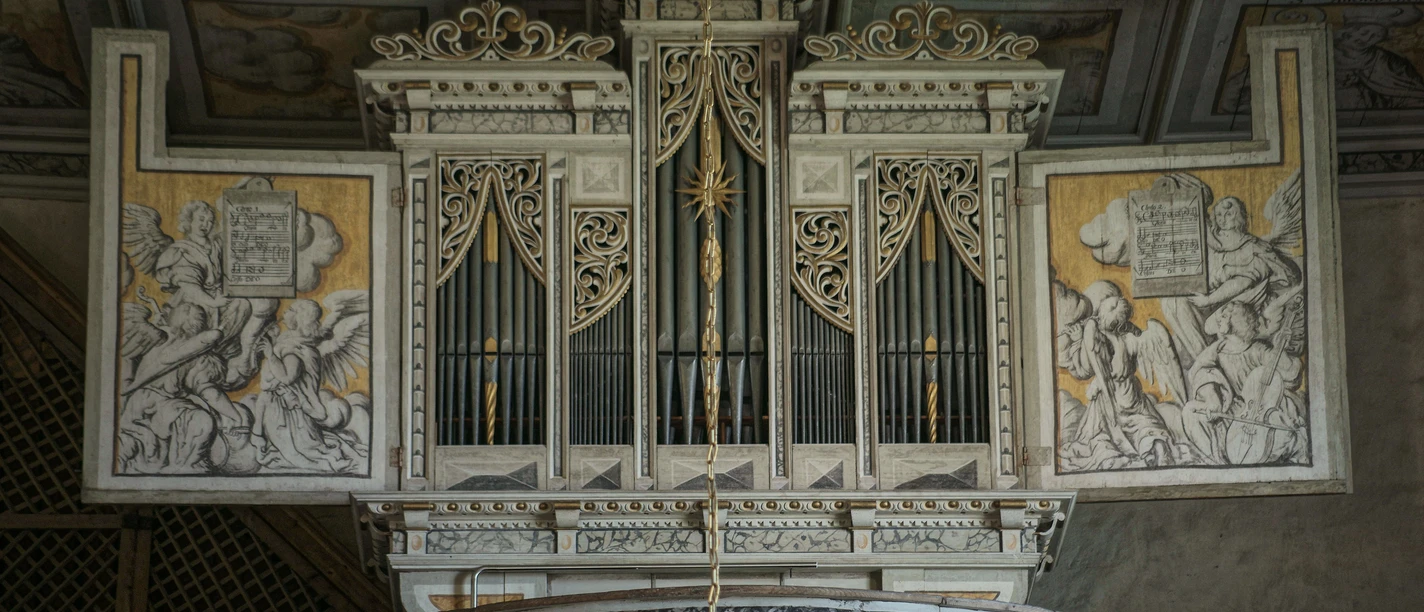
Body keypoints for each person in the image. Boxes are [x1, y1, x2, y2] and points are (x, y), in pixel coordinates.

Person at [1181, 302, 1307, 465]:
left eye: (1225, 316)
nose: (1220, 319)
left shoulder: (1259, 349)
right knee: (1191, 411)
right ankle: (1218, 462)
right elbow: (1200, 370)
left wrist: (1280, 349)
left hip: (1263, 409)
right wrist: (1212, 398)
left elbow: (1290, 374)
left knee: (1279, 435)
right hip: (1235, 410)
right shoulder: (1218, 349)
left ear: (1238, 319)